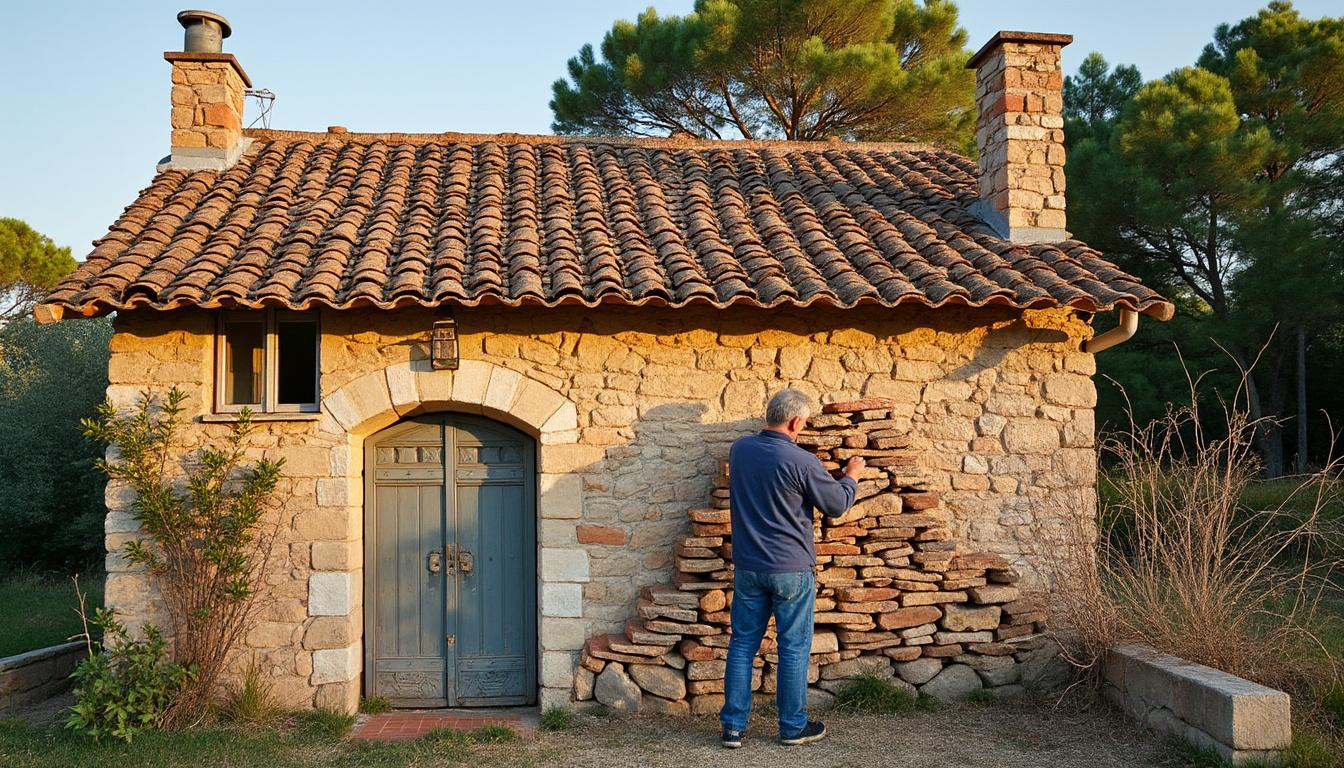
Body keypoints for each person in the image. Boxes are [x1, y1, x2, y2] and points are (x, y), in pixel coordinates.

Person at [719, 388, 865, 748]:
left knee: (741, 645)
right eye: (804, 422)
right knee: (793, 647)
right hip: (790, 569)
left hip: (749, 566)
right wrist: (851, 476)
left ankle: (733, 728)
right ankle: (792, 726)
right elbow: (835, 505)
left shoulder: (740, 450)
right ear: (797, 421)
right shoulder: (802, 462)